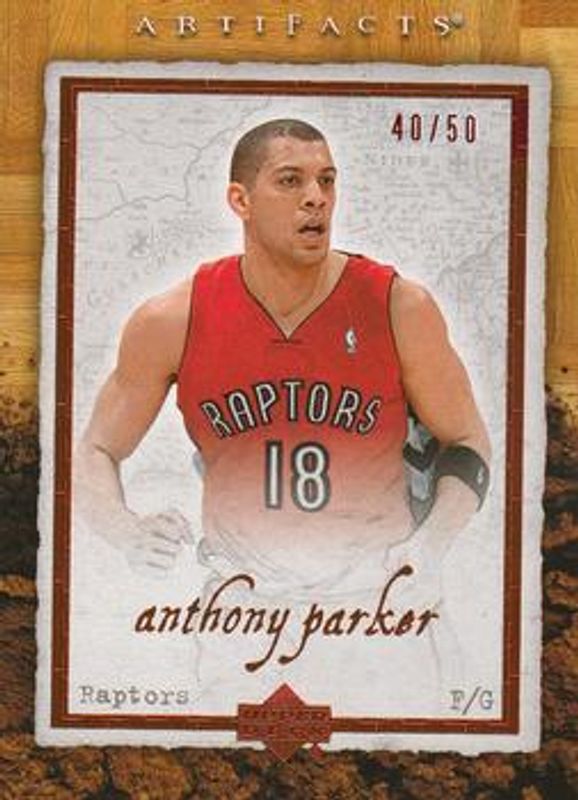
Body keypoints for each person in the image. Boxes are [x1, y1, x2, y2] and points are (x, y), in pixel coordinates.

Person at [75, 118, 490, 595]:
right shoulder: (172, 320)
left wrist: (430, 546)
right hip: (241, 603)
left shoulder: (399, 307)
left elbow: (468, 442)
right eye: (291, 181)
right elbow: (95, 450)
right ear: (241, 201)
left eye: (326, 181)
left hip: (379, 598)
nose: (316, 197)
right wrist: (127, 532)